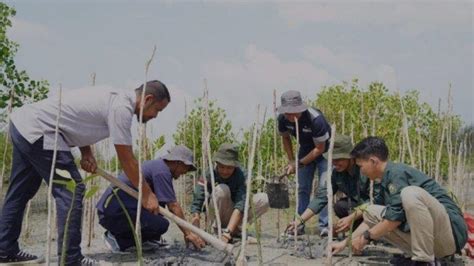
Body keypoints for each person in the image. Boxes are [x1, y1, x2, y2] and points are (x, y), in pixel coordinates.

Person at [0, 80, 170, 265]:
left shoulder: (114, 98)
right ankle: (71, 259)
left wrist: (86, 152)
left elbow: (75, 120)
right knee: (72, 191)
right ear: (148, 99)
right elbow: (127, 159)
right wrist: (146, 194)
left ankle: (5, 250)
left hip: (24, 125)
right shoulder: (122, 108)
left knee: (21, 191)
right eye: (158, 110)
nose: (155, 116)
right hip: (41, 130)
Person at [330, 137, 468, 266]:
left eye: (361, 166)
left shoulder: (397, 173)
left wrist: (366, 238)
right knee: (371, 211)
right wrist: (344, 243)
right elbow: (370, 220)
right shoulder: (385, 180)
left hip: (450, 235)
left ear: (373, 161)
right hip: (435, 242)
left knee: (410, 194)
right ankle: (416, 256)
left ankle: (423, 260)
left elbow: (393, 220)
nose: (362, 172)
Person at [97, 145, 206, 252]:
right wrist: (188, 233)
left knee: (158, 213)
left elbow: (161, 206)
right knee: (162, 224)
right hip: (113, 213)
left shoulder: (159, 167)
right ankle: (116, 239)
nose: (185, 172)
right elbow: (173, 206)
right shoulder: (162, 171)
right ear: (178, 162)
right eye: (186, 167)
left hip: (116, 212)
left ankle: (147, 240)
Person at [286, 135, 380, 236]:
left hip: (374, 209)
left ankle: (373, 231)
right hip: (358, 209)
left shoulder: (365, 170)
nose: (335, 163)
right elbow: (321, 197)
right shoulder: (336, 174)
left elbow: (375, 201)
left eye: (339, 159)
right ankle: (358, 231)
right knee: (340, 206)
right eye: (333, 159)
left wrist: (350, 218)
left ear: (350, 157)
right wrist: (300, 220)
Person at [277, 90, 331, 236]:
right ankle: (299, 224)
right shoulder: (282, 119)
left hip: (325, 150)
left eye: (293, 112)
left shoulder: (315, 119)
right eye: (286, 112)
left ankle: (325, 226)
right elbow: (285, 138)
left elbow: (320, 149)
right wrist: (291, 160)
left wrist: (299, 164)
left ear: (300, 108)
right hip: (305, 148)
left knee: (324, 189)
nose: (289, 116)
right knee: (302, 188)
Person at [190, 143, 269, 243]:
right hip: (218, 214)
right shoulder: (209, 173)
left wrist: (228, 232)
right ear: (217, 164)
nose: (225, 171)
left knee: (264, 198)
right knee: (222, 189)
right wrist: (195, 227)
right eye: (222, 167)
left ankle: (235, 230)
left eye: (229, 168)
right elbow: (198, 200)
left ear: (235, 166)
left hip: (236, 213)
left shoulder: (242, 175)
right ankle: (216, 229)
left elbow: (240, 204)